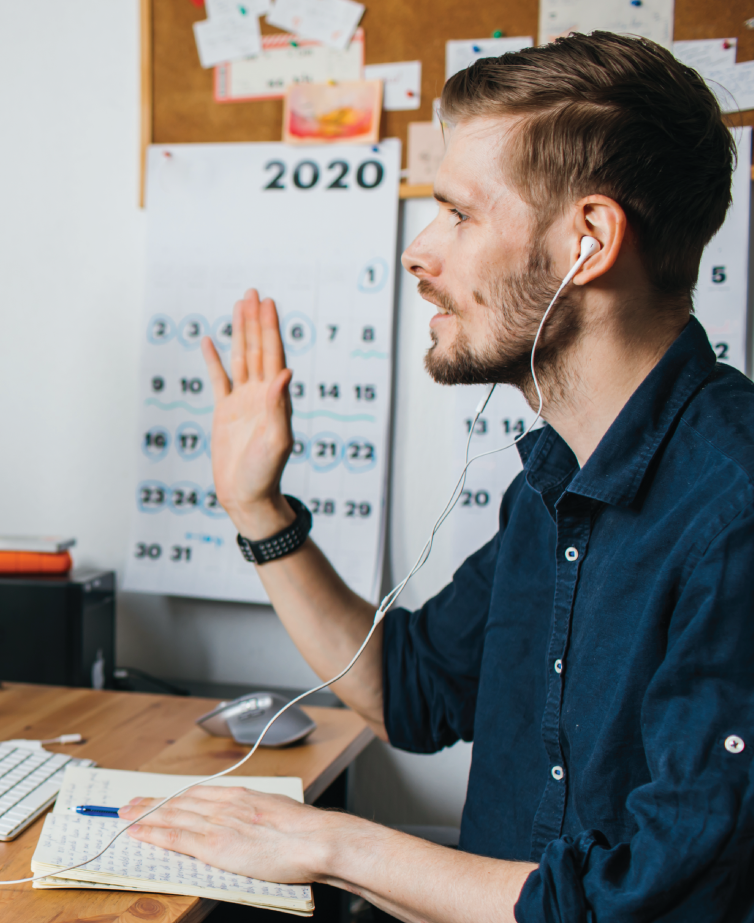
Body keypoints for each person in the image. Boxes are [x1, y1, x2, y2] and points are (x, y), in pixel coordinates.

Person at [118, 34, 748, 922]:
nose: (419, 252)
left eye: (457, 214)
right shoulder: (554, 482)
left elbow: (640, 903)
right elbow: (405, 691)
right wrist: (255, 507)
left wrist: (328, 842)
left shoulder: (733, 513)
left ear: (589, 240)